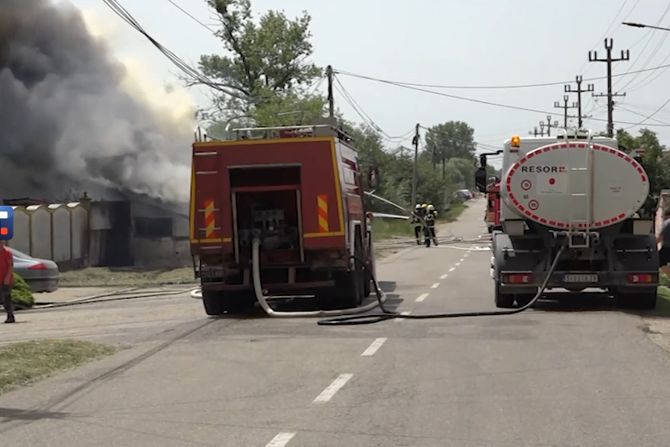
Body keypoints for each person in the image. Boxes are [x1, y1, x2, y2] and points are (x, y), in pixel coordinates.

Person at [0, 240, 15, 323]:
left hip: (6, 280)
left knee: (6, 298)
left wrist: (7, 278)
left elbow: (10, 266)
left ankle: (10, 316)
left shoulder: (7, 253)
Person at [657, 209, 670, 274]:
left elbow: (660, 237)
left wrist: (653, 245)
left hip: (667, 248)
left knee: (658, 261)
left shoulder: (667, 222)